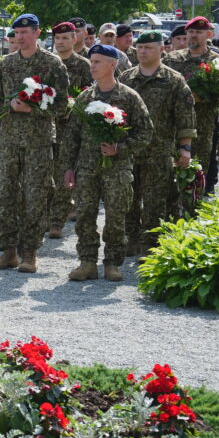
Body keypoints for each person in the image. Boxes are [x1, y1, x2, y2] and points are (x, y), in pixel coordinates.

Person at [0, 14, 69, 274]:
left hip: (38, 141)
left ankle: (30, 253)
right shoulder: (6, 63)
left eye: (26, 32)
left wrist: (31, 111)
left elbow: (61, 105)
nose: (21, 36)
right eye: (17, 32)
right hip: (8, 140)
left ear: (37, 33)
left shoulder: (52, 64)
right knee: (4, 194)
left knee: (34, 196)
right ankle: (9, 251)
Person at [61, 44, 152, 282]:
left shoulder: (129, 97)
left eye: (98, 62)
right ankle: (87, 262)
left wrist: (119, 148)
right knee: (85, 216)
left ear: (113, 64)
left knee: (116, 216)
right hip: (87, 169)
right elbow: (71, 136)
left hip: (118, 169)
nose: (92, 66)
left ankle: (112, 263)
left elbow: (145, 134)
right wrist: (68, 168)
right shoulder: (85, 97)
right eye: (91, 61)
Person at [119, 30, 196, 257]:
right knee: (128, 198)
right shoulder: (127, 78)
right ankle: (130, 239)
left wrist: (185, 148)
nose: (142, 52)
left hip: (159, 151)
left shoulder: (173, 80)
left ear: (161, 49)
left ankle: (150, 244)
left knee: (155, 201)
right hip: (129, 150)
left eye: (148, 48)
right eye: (140, 48)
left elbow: (185, 117)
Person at [163, 16, 219, 179]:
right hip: (171, 126)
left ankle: (195, 203)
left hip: (202, 126)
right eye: (191, 31)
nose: (194, 35)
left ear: (209, 35)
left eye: (199, 32)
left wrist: (203, 97)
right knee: (168, 174)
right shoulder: (172, 59)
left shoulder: (217, 62)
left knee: (196, 173)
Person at [47, 22, 93, 238]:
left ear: (74, 39)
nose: (61, 42)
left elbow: (90, 94)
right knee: (44, 176)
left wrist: (73, 107)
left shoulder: (84, 65)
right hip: (45, 127)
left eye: (65, 38)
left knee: (64, 174)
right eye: (57, 38)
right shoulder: (47, 63)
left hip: (70, 130)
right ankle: (45, 217)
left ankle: (56, 222)